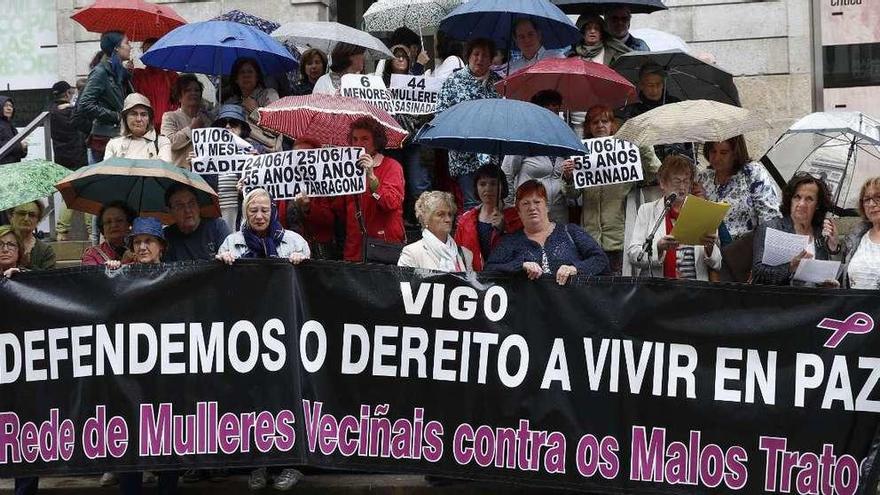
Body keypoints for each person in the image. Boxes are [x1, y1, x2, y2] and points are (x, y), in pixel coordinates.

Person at [562, 105, 661, 274]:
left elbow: (654, 174)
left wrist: (642, 145)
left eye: (605, 121)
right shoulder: (581, 152)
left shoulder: (627, 151)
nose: (600, 125)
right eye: (595, 122)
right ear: (588, 127)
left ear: (612, 125)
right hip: (590, 240)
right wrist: (569, 177)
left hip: (620, 238)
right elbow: (572, 195)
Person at [486, 180, 609, 283]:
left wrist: (575, 269)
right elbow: (489, 269)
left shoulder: (571, 232)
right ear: (518, 211)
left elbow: (601, 260)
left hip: (572, 308)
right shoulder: (510, 241)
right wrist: (520, 265)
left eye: (537, 202)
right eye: (525, 203)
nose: (532, 208)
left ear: (547, 206)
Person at [628, 155, 722, 280]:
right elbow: (634, 255)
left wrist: (709, 248)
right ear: (662, 183)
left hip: (695, 291)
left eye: (686, 181)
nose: (682, 187)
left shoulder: (702, 210)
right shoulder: (647, 210)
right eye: (677, 181)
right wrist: (658, 248)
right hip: (660, 291)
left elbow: (718, 263)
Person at [436, 38, 502, 210]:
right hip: (465, 157)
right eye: (476, 54)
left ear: (492, 59)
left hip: (491, 155)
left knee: (492, 205)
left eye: (485, 55)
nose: (479, 59)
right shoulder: (453, 81)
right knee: (472, 205)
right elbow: (440, 115)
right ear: (468, 56)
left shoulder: (499, 83)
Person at [333, 116, 405, 262]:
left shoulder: (392, 166)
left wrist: (372, 178)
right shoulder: (347, 170)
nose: (359, 144)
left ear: (376, 142)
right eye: (355, 139)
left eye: (365, 139)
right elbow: (339, 211)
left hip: (383, 247)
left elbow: (391, 203)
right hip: (355, 249)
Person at [752, 173, 838, 286]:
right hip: (778, 300)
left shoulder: (821, 234)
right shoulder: (771, 228)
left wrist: (833, 247)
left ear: (817, 205)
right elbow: (758, 275)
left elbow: (828, 276)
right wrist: (791, 267)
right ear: (790, 199)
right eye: (797, 197)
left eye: (809, 199)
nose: (801, 204)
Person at [696, 135, 781, 245]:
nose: (717, 158)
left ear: (735, 154)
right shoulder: (703, 178)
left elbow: (769, 216)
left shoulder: (752, 172)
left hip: (747, 251)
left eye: (723, 153)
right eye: (713, 152)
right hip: (712, 254)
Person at [383, 44, 432, 226]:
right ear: (389, 61)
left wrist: (419, 66)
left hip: (414, 140)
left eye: (404, 56)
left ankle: (423, 222)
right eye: (396, 56)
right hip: (392, 142)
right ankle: (399, 221)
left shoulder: (417, 78)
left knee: (419, 183)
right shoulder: (381, 83)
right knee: (396, 183)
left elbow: (425, 100)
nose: (401, 58)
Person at [502, 90, 568, 224]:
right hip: (529, 213)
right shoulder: (523, 137)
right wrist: (510, 207)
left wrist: (569, 176)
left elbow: (570, 181)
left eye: (556, 111)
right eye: (547, 111)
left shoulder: (565, 138)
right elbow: (507, 172)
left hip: (558, 214)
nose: (552, 116)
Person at [216, 188, 310, 268]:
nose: (259, 216)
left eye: (265, 211)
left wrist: (301, 261)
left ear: (273, 212)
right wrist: (223, 261)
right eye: (253, 211)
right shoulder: (231, 242)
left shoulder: (296, 242)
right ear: (245, 213)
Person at [454, 164, 522, 272]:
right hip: (473, 282)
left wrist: (504, 229)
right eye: (482, 184)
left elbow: (523, 252)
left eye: (493, 184)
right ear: (476, 188)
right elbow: (457, 255)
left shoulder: (517, 217)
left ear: (502, 186)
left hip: (507, 280)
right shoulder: (466, 220)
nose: (488, 188)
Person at [77, 31, 132, 163]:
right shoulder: (100, 72)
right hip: (104, 140)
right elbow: (84, 104)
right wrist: (116, 116)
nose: (130, 47)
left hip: (118, 136)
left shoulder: (117, 72)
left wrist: (128, 75)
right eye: (127, 43)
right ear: (116, 48)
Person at [618, 63, 692, 161]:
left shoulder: (675, 104)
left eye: (658, 84)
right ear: (641, 85)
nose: (655, 90)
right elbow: (628, 140)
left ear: (663, 84)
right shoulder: (633, 109)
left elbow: (688, 136)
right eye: (650, 85)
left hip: (676, 160)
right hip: (646, 161)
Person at [212, 105, 267, 230]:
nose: (227, 127)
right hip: (217, 213)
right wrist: (195, 164)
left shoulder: (255, 149)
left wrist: (255, 165)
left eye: (233, 123)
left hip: (242, 216)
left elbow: (266, 188)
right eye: (223, 124)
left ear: (242, 127)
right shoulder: (207, 152)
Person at [399, 191, 473, 271]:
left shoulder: (465, 254)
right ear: (425, 219)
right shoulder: (411, 253)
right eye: (440, 214)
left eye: (450, 214)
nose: (448, 219)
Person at [162, 183, 231, 262]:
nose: (187, 210)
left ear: (198, 205)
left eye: (191, 203)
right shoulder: (166, 236)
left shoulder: (216, 226)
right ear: (169, 211)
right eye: (180, 206)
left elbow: (229, 255)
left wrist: (224, 256)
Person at [223, 58, 281, 150]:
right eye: (242, 72)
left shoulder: (269, 94)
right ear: (236, 79)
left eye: (250, 72)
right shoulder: (231, 103)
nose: (246, 75)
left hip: (266, 154)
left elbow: (277, 128)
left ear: (257, 77)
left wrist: (255, 111)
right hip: (236, 152)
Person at [161, 74, 212, 168]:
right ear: (179, 97)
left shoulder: (207, 119)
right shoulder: (170, 117)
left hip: (204, 173)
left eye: (197, 90)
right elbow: (169, 144)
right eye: (188, 90)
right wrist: (191, 128)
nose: (194, 93)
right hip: (179, 173)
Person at [104, 93, 173, 162]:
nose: (139, 119)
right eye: (133, 114)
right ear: (125, 118)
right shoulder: (113, 144)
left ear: (149, 119)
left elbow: (164, 170)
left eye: (143, 114)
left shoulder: (162, 142)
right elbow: (106, 171)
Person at [132, 38, 178, 130]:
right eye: (145, 52)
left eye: (151, 50)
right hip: (144, 126)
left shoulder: (171, 76)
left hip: (166, 126)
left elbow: (177, 102)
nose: (148, 55)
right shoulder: (137, 75)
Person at [842, 178, 880, 289]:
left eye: (878, 198)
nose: (872, 204)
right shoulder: (855, 238)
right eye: (867, 199)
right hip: (856, 305)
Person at [81, 201, 136, 266]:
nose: (114, 225)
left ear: (129, 224)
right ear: (102, 228)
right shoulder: (92, 255)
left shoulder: (140, 250)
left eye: (119, 220)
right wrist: (123, 263)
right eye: (108, 222)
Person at [48, 81, 88, 170]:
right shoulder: (71, 111)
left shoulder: (50, 110)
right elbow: (83, 124)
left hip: (60, 157)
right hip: (77, 157)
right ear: (67, 93)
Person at [8, 200, 55, 270]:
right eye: (21, 213)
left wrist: (28, 266)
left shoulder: (45, 250)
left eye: (32, 215)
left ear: (38, 221)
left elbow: (50, 278)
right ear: (11, 217)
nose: (26, 219)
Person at [0, 96, 27, 164]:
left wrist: (24, 148)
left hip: (13, 166)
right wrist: (20, 146)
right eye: (5, 105)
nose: (9, 108)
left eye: (11, 106)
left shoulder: (11, 125)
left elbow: (21, 154)